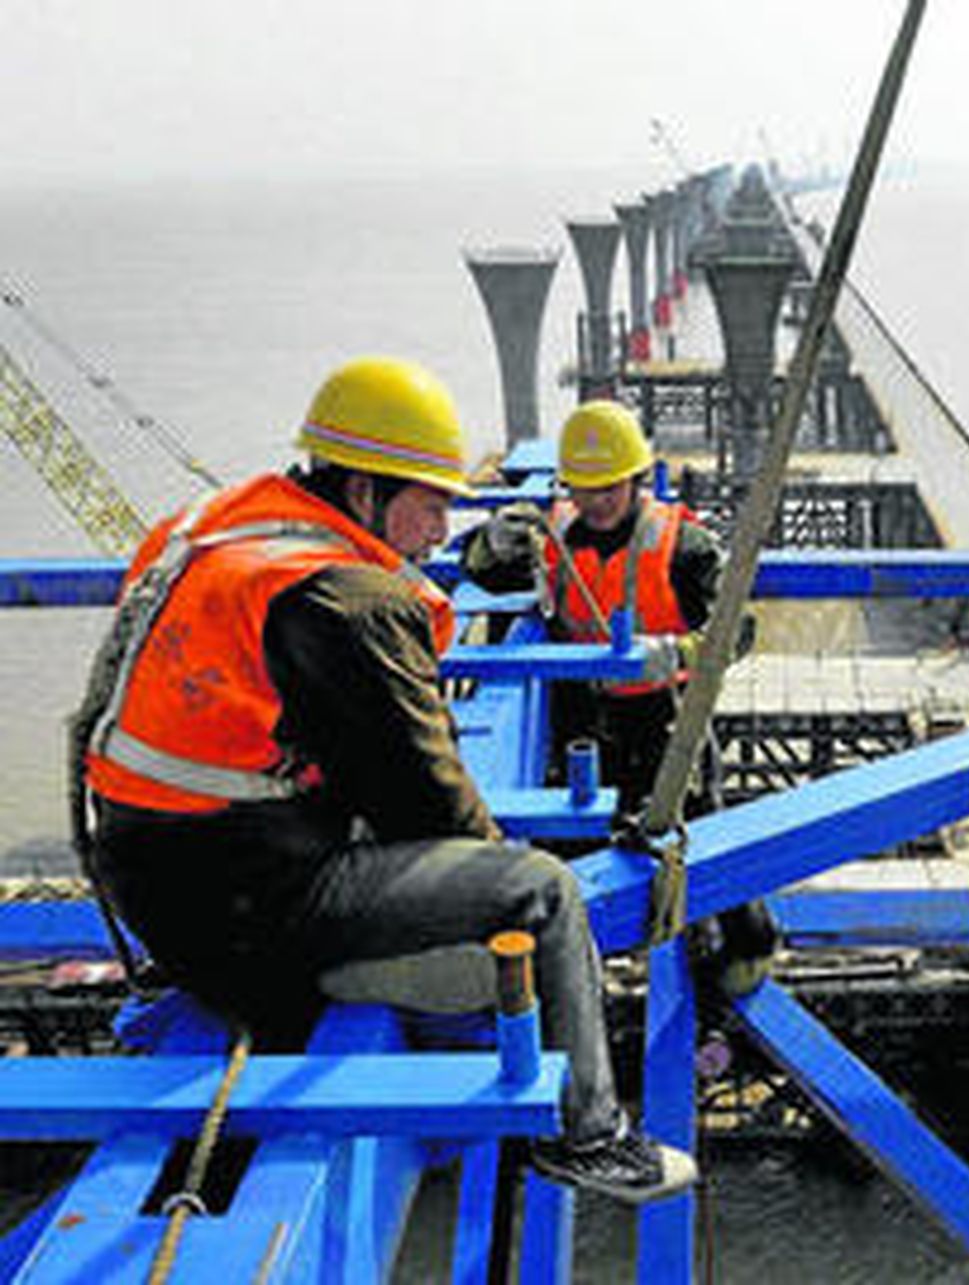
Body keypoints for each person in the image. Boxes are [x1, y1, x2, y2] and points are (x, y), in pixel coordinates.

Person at [71, 356, 695, 1203]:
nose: (440, 530)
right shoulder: (345, 598)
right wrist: (494, 874)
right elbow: (430, 803)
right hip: (250, 912)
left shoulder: (226, 528)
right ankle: (588, 1135)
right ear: (365, 488)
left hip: (157, 885)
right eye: (431, 502)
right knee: (542, 894)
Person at [463, 399, 776, 990]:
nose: (596, 502)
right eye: (583, 488)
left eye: (609, 487)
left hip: (664, 722)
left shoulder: (683, 547)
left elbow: (738, 628)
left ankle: (740, 968)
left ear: (635, 478)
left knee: (697, 845)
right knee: (582, 852)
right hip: (584, 722)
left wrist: (679, 653)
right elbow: (482, 571)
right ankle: (585, 974)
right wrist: (491, 541)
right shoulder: (550, 537)